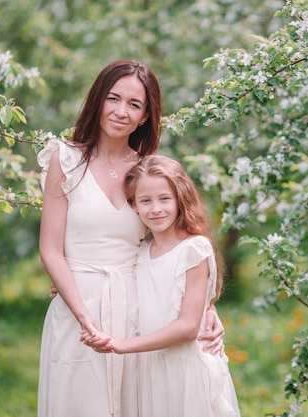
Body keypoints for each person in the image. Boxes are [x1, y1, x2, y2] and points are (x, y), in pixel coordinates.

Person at [37, 60, 224, 417]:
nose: (121, 112)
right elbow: (50, 249)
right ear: (98, 101)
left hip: (140, 308)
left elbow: (175, 245)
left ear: (145, 116)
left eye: (134, 105)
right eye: (114, 99)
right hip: (77, 305)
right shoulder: (65, 159)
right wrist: (83, 315)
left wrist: (206, 307)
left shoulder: (146, 170)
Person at [81, 155, 240, 417]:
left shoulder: (193, 250)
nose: (155, 209)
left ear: (181, 199)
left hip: (186, 370)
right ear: (134, 205)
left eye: (165, 199)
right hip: (151, 367)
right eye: (146, 200)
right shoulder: (141, 252)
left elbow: (188, 327)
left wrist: (121, 345)